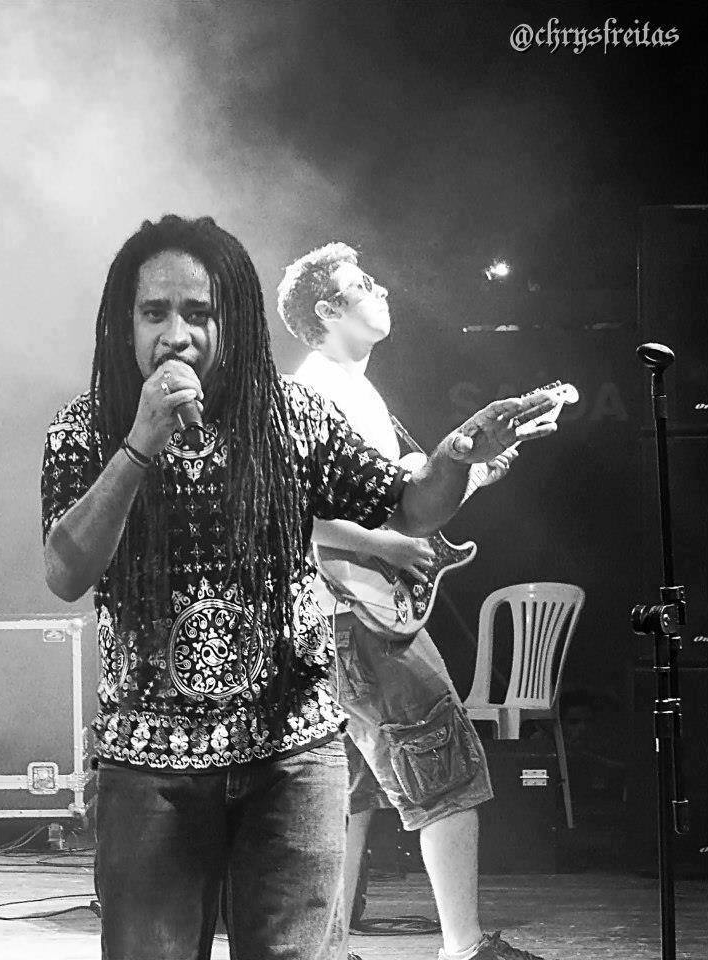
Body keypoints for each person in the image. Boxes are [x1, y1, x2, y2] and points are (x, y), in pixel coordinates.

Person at [41, 215, 556, 960]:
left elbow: (406, 508)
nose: (177, 335)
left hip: (289, 759)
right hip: (148, 766)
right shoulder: (84, 430)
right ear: (125, 324)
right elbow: (65, 573)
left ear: (233, 321)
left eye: (199, 313)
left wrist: (453, 457)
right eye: (155, 313)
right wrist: (140, 443)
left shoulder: (293, 416)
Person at [278, 241, 550, 960]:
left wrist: (472, 469)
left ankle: (326, 947)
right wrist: (384, 548)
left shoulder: (358, 392)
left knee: (346, 791)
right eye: (361, 284)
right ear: (327, 310)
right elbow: (284, 511)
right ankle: (463, 947)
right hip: (352, 611)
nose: (381, 290)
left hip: (345, 613)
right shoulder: (313, 392)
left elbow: (408, 506)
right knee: (444, 762)